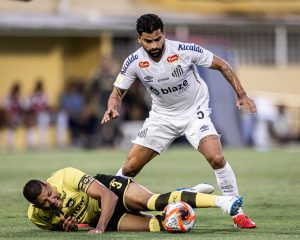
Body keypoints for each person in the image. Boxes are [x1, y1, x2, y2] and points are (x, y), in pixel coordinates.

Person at [101, 14, 257, 228]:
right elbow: (116, 93)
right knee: (129, 167)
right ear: (139, 39)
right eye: (149, 41)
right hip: (162, 116)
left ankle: (237, 213)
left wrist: (242, 94)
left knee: (216, 158)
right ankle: (109, 206)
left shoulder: (184, 51)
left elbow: (223, 65)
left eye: (158, 39)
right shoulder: (134, 62)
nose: (155, 45)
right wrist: (112, 107)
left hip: (195, 111)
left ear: (163, 34)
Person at [23, 167, 243, 234]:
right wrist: (67, 228)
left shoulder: (65, 176)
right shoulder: (36, 217)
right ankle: (188, 193)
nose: (53, 202)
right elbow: (60, 227)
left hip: (108, 191)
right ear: (36, 206)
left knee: (154, 202)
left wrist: (99, 229)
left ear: (49, 185)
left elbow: (107, 196)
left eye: (51, 195)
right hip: (102, 218)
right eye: (46, 203)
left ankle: (222, 201)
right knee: (161, 226)